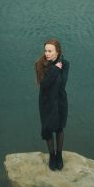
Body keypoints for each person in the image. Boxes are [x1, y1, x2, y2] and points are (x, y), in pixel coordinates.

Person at [34, 38, 70, 171]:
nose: (47, 54)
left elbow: (62, 83)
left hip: (60, 100)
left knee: (59, 128)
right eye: (45, 50)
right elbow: (43, 85)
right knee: (48, 128)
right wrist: (54, 70)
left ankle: (59, 155)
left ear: (57, 51)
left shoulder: (65, 64)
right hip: (46, 101)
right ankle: (51, 156)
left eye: (50, 51)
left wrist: (57, 70)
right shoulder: (39, 64)